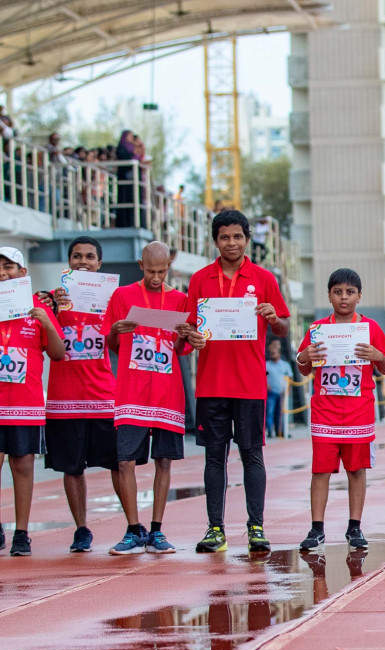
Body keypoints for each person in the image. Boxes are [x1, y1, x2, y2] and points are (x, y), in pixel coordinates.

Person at [185, 209, 291, 554]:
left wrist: (274, 317)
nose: (231, 243)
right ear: (215, 241)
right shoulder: (200, 279)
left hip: (249, 385)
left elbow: (283, 328)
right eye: (224, 237)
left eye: (237, 236)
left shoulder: (263, 278)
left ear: (247, 239)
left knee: (252, 457)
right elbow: (185, 336)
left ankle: (256, 527)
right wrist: (191, 337)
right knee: (214, 459)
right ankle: (215, 529)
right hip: (211, 385)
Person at [0, 247, 66, 557]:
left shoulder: (38, 308)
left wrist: (47, 323)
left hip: (26, 403)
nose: (2, 273)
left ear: (23, 273)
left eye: (9, 267)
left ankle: (22, 533)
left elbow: (59, 354)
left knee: (22, 465)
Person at [103, 242, 199, 555]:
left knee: (164, 461)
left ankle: (157, 530)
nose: (157, 277)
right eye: (151, 270)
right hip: (132, 391)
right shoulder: (122, 296)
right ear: (141, 265)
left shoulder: (180, 299)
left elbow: (182, 349)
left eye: (162, 271)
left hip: (167, 394)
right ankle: (133, 530)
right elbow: (113, 343)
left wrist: (187, 335)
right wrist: (118, 329)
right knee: (124, 460)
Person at [296, 268, 385, 553]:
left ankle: (355, 526)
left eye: (350, 292)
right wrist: (305, 356)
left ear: (359, 296)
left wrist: (378, 356)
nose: (343, 297)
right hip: (325, 411)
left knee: (356, 470)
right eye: (338, 292)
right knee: (320, 471)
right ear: (329, 295)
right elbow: (303, 368)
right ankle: (317, 529)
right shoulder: (316, 330)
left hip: (358, 411)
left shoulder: (371, 328)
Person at [46, 236, 120, 553]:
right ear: (69, 261)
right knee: (72, 468)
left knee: (120, 463)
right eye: (77, 256)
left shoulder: (112, 299)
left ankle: (133, 524)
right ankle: (81, 529)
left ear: (99, 264)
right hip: (64, 399)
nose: (83, 262)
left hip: (104, 396)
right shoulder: (52, 299)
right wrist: (48, 304)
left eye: (90, 257)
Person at [265, 339, 290, 438]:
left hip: (282, 392)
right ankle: (270, 431)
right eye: (271, 353)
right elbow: (263, 376)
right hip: (271, 392)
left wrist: (288, 390)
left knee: (280, 413)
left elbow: (290, 377)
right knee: (269, 412)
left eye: (274, 353)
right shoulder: (266, 365)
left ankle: (281, 431)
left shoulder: (285, 365)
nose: (272, 355)